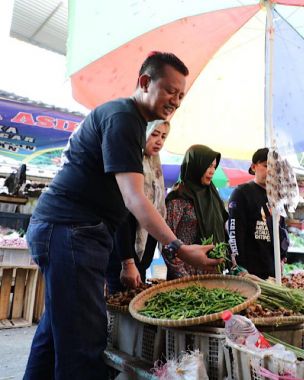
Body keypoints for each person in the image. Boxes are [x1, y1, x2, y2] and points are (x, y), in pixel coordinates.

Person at [24, 52, 221, 379]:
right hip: (71, 231)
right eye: (171, 91)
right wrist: (179, 249)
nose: (176, 101)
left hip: (69, 230)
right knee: (84, 343)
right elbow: (135, 199)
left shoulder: (128, 120)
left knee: (55, 332)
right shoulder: (123, 118)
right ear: (145, 82)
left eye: (181, 95)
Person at [106, 120, 169, 293]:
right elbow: (122, 217)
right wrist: (128, 262)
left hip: (141, 260)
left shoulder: (155, 168)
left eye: (163, 136)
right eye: (154, 134)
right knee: (119, 311)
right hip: (122, 257)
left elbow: (156, 212)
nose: (159, 141)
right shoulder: (130, 166)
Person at [162, 144, 228, 279]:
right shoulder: (178, 198)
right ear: (196, 166)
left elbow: (223, 233)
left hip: (212, 274)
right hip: (185, 276)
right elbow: (166, 242)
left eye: (214, 167)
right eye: (208, 166)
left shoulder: (212, 196)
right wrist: (183, 276)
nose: (212, 171)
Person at [228, 147, 289, 279]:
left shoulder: (277, 198)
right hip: (249, 273)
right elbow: (234, 232)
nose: (270, 171)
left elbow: (282, 230)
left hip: (273, 272)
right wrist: (239, 266)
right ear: (254, 166)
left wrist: (282, 257)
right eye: (266, 166)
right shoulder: (242, 193)